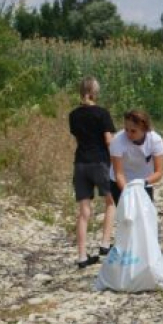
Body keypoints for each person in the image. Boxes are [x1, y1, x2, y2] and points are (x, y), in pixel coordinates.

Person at [69, 77, 116, 269]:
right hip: (100, 161)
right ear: (95, 92)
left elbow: (78, 137)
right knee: (111, 201)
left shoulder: (73, 115)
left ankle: (81, 256)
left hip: (80, 162)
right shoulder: (102, 113)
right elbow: (108, 140)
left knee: (84, 211)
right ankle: (105, 244)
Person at [109, 109, 163, 207]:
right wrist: (128, 192)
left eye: (133, 131)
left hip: (144, 181)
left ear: (144, 129)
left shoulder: (155, 141)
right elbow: (119, 173)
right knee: (126, 217)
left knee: (145, 215)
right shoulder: (117, 141)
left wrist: (142, 183)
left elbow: (159, 172)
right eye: (126, 129)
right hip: (120, 182)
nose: (128, 134)